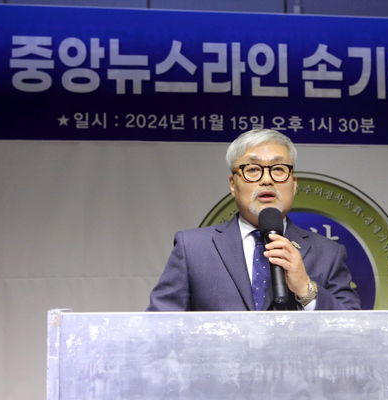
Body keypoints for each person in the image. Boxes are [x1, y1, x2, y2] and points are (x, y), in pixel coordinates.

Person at [147, 129, 361, 311]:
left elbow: (354, 329)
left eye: (278, 169)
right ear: (233, 184)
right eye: (253, 170)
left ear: (294, 184)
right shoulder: (193, 249)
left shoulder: (328, 253)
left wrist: (306, 289)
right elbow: (159, 326)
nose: (267, 180)